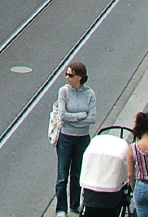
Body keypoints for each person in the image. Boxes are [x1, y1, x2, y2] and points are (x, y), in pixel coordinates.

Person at [54, 61, 96, 217]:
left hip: (82, 138)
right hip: (66, 138)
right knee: (62, 175)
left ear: (80, 77)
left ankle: (74, 204)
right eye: (66, 74)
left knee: (77, 174)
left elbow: (92, 118)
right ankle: (61, 208)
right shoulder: (63, 92)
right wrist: (80, 116)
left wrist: (74, 119)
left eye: (70, 75)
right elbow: (62, 115)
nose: (67, 77)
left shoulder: (90, 94)